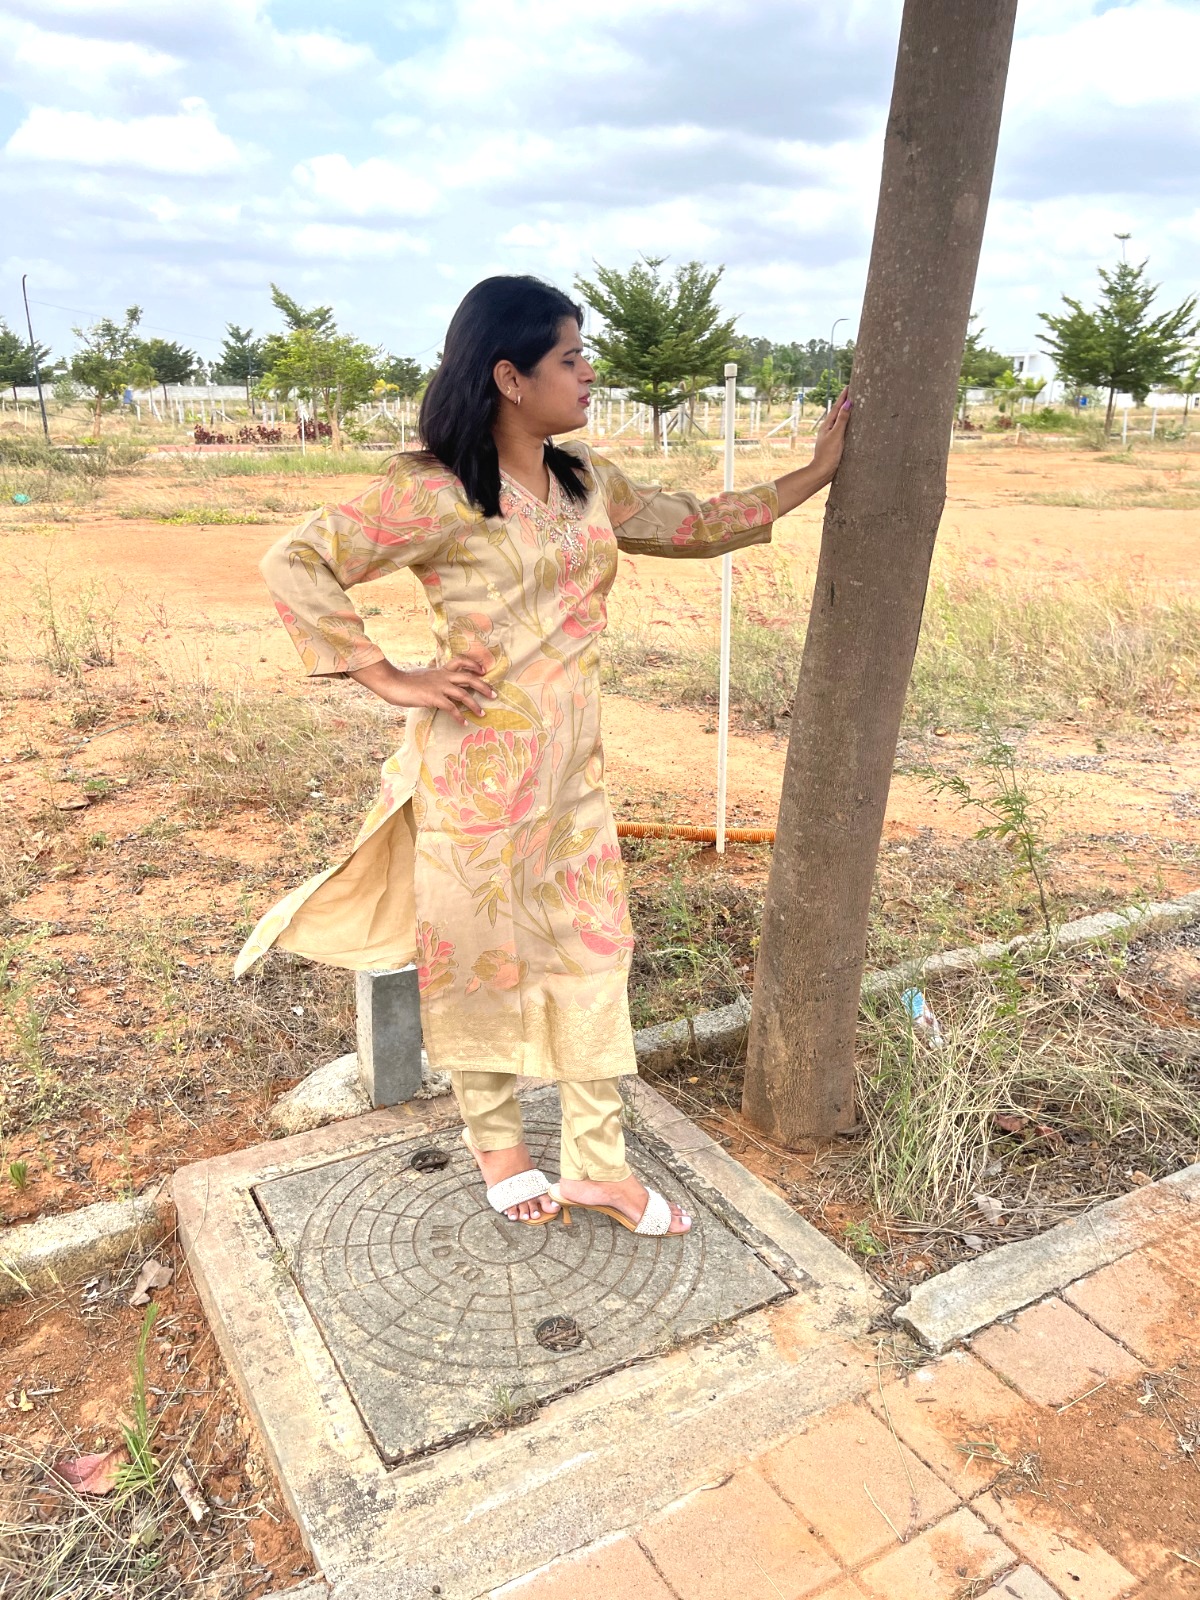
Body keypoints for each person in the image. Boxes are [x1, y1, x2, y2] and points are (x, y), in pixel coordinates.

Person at [236, 275, 850, 1237]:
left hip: (571, 783)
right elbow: (296, 560)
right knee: (481, 965)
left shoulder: (584, 481)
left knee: (595, 958)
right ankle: (502, 1152)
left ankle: (600, 1166)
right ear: (510, 376)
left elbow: (692, 522)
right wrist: (387, 674)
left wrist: (815, 473)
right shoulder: (432, 489)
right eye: (571, 357)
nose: (589, 373)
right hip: (475, 782)